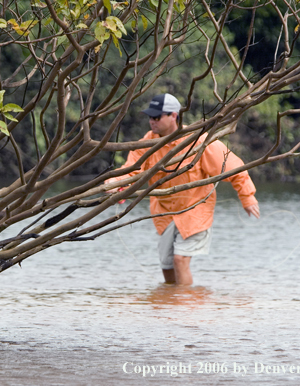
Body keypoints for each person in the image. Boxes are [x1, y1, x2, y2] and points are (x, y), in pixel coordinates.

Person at [106, 93, 260, 285]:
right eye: (150, 117)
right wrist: (115, 184)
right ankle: (171, 305)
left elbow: (234, 167)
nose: (151, 121)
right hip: (164, 214)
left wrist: (247, 197)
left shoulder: (197, 140)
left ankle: (186, 307)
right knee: (167, 265)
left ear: (174, 116)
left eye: (157, 117)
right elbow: (131, 170)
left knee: (180, 260)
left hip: (194, 211)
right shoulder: (147, 141)